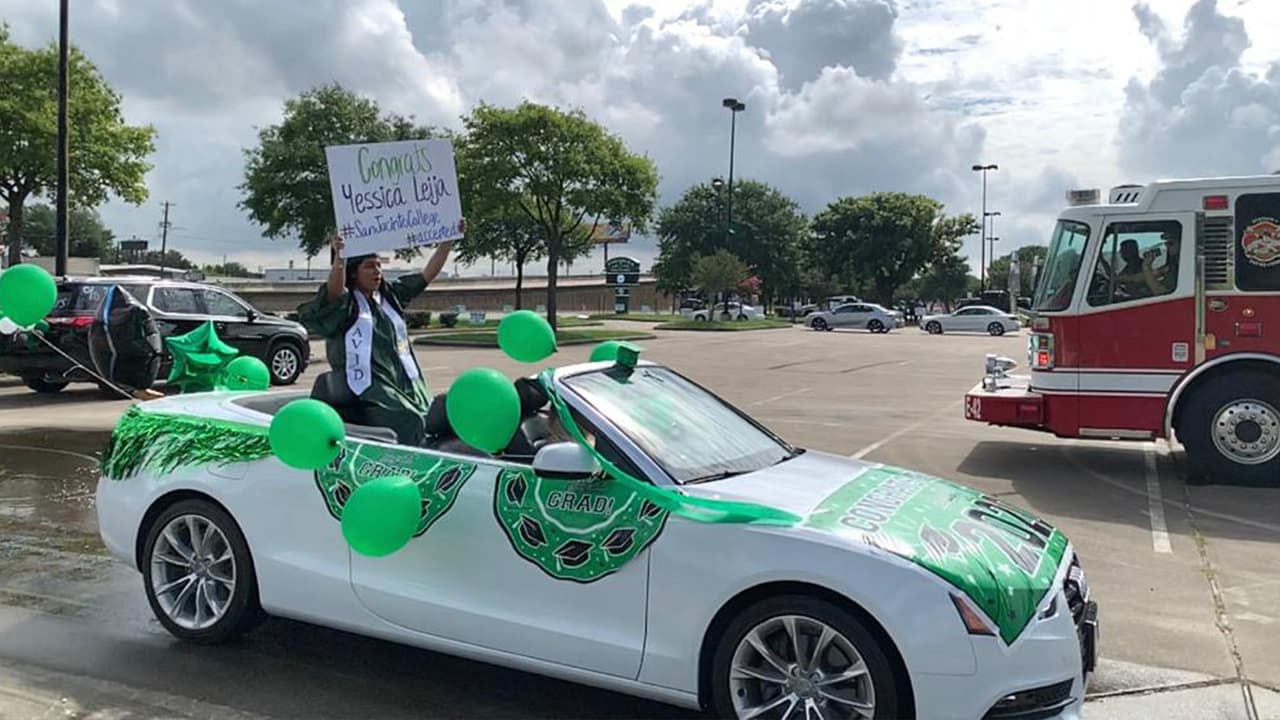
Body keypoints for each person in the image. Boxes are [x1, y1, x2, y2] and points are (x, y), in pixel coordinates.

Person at [297, 222, 461, 445]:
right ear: (353, 273)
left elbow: (426, 276)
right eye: (369, 266)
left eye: (379, 266)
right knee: (412, 420)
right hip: (370, 392)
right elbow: (334, 290)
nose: (377, 272)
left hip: (402, 383)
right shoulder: (346, 304)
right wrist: (340, 259)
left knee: (436, 415)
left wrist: (448, 240)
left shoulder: (389, 297)